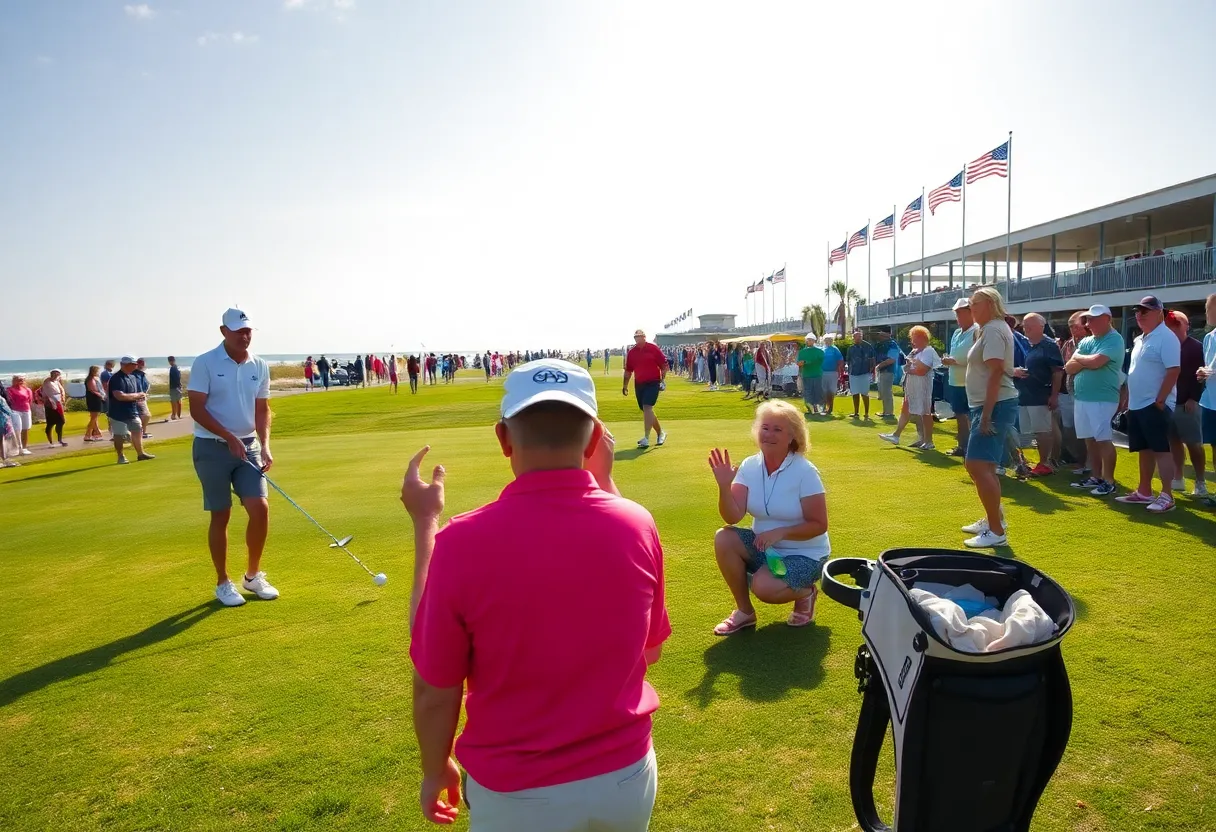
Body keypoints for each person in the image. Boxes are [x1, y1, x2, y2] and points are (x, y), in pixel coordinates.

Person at [406, 359, 670, 831]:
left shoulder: (461, 542)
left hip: (517, 792)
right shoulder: (638, 524)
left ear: (504, 438)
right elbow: (649, 650)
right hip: (625, 777)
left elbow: (434, 683)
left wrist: (433, 768)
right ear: (594, 439)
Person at [707, 399, 829, 634]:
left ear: (792, 436)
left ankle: (806, 592)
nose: (769, 434)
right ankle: (745, 612)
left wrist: (781, 532)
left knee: (763, 588)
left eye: (777, 429)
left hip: (806, 555)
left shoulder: (805, 472)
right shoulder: (749, 466)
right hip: (765, 548)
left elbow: (819, 524)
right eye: (765, 427)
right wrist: (724, 486)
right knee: (724, 537)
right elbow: (732, 516)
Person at [186, 308, 276, 608]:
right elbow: (197, 409)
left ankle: (252, 576)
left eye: (248, 330)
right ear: (224, 331)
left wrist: (265, 445)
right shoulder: (205, 362)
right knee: (221, 514)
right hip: (211, 447)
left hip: (249, 446)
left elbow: (262, 409)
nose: (244, 336)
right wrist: (228, 437)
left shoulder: (259, 365)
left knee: (260, 508)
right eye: (238, 331)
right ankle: (223, 582)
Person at [960, 287, 1019, 548]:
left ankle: (996, 531)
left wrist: (986, 415)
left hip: (993, 406)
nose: (971, 308)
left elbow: (996, 373)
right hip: (987, 404)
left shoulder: (994, 329)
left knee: (976, 465)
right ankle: (995, 520)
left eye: (975, 303)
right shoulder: (989, 329)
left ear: (990, 304)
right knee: (983, 467)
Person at [1114, 296, 1180, 512]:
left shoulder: (1166, 337)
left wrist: (1160, 400)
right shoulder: (1140, 339)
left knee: (1161, 450)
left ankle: (1167, 495)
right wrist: (1127, 399)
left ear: (1159, 313)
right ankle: (1144, 491)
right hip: (1137, 405)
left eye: (1145, 311)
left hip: (1155, 404)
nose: (1140, 315)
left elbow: (1173, 370)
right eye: (1137, 311)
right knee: (1144, 449)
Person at [1065, 304, 1125, 497]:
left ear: (1107, 319)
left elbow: (1097, 362)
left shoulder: (1114, 339)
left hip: (1102, 397)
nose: (1089, 323)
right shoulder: (1087, 341)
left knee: (1103, 439)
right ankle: (1096, 476)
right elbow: (1069, 367)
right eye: (1088, 319)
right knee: (1090, 440)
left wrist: (1080, 359)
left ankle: (1109, 481)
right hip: (1083, 397)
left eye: (1094, 319)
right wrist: (1087, 361)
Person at [1013, 313, 1064, 475]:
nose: (1026, 328)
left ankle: (1045, 463)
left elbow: (1057, 372)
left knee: (1043, 431)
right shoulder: (1026, 344)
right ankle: (1037, 463)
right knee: (1031, 431)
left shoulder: (1048, 345)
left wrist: (1054, 395)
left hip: (1040, 394)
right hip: (1025, 394)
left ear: (1041, 327)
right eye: (1025, 325)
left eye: (1030, 325)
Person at [1164, 310, 1207, 499]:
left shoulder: (1196, 347)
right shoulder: (1167, 347)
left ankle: (1200, 482)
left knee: (1194, 444)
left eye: (1176, 324)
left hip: (1187, 404)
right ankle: (1178, 477)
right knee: (1173, 442)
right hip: (1170, 402)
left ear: (1184, 326)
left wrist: (1194, 398)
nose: (1172, 329)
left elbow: (1202, 376)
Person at [879, 325, 940, 449]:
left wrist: (911, 366)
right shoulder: (915, 351)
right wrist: (908, 366)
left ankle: (928, 441)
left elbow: (923, 370)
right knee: (907, 409)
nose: (912, 341)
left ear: (921, 338)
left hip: (922, 387)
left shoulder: (928, 351)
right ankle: (899, 435)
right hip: (911, 386)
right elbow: (908, 367)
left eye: (914, 337)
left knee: (925, 413)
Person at [941, 299, 977, 457]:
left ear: (970, 312)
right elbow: (955, 353)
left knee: (973, 416)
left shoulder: (977, 331)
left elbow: (976, 357)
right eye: (956, 313)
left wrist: (955, 361)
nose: (958, 317)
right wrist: (949, 360)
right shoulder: (956, 333)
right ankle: (962, 446)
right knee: (959, 415)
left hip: (971, 381)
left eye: (960, 313)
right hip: (955, 380)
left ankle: (974, 449)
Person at [623, 329, 668, 449]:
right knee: (646, 410)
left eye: (639, 336)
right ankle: (661, 433)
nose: (637, 339)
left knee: (647, 407)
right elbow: (628, 370)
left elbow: (663, 365)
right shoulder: (632, 352)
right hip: (639, 384)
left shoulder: (653, 348)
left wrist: (663, 380)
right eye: (635, 337)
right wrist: (625, 386)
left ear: (644, 337)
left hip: (653, 382)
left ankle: (646, 438)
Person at [106, 356, 156, 465]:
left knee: (138, 430)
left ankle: (141, 454)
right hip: (118, 412)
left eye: (135, 364)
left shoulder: (132, 377)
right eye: (133, 364)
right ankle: (121, 456)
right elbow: (119, 396)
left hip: (132, 410)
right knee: (119, 435)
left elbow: (134, 393)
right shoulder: (116, 378)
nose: (135, 366)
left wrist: (139, 397)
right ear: (125, 365)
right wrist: (137, 395)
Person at [1198, 292, 1216, 507]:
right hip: (1210, 402)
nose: (1207, 313)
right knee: (1214, 445)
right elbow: (1208, 365)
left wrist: (1209, 371)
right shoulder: (1209, 338)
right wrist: (1202, 371)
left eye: (1208, 309)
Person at [845, 330, 875, 419]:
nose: (858, 338)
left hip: (865, 373)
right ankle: (856, 412)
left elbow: (872, 359)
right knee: (855, 393)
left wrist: (871, 370)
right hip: (853, 373)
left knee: (864, 393)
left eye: (860, 337)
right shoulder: (850, 348)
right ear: (853, 338)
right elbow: (848, 360)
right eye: (856, 337)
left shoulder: (868, 347)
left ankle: (866, 413)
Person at [874, 326, 900, 419]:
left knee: (887, 392)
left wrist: (879, 365)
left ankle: (888, 412)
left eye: (882, 333)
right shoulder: (880, 344)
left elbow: (892, 359)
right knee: (883, 392)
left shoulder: (892, 344)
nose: (879, 335)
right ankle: (885, 411)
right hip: (881, 371)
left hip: (888, 371)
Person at [797, 334, 825, 415]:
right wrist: (800, 363)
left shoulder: (820, 351)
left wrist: (806, 362)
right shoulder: (802, 352)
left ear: (814, 341)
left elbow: (818, 361)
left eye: (810, 340)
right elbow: (799, 362)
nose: (809, 341)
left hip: (817, 374)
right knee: (808, 392)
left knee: (817, 391)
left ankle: (817, 407)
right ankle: (810, 407)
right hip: (806, 374)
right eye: (808, 340)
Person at [41, 370, 68, 448]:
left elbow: (61, 389)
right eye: (55, 375)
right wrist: (53, 403)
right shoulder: (47, 382)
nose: (57, 376)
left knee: (61, 421)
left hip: (58, 402)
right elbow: (48, 394)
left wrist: (63, 396)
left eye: (58, 375)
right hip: (50, 404)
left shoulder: (56, 382)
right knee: (50, 423)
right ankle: (50, 441)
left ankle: (60, 439)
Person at [7, 375, 33, 455]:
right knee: (17, 430)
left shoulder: (27, 390)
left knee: (26, 429)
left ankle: (24, 448)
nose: (20, 381)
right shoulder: (9, 390)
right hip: (15, 411)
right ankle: (17, 448)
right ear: (14, 381)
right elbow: (9, 401)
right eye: (18, 380)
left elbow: (30, 400)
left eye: (22, 380)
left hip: (26, 410)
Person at [820, 335, 843, 416]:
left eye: (829, 340)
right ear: (824, 341)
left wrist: (838, 370)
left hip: (833, 372)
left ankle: (830, 408)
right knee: (823, 391)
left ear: (832, 341)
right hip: (822, 372)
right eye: (826, 340)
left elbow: (840, 361)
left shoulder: (835, 349)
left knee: (831, 391)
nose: (828, 341)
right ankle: (824, 408)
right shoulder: (822, 349)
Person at [84, 365, 106, 442]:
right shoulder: (91, 379)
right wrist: (102, 396)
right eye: (97, 371)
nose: (98, 372)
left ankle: (96, 433)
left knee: (95, 417)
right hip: (94, 399)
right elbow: (93, 390)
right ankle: (88, 435)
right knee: (94, 418)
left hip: (94, 399)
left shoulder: (93, 378)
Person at [134, 358, 152, 438]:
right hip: (137, 398)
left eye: (142, 364)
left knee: (144, 416)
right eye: (140, 363)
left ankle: (142, 432)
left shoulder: (141, 374)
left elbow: (145, 385)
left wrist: (145, 393)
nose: (141, 365)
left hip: (142, 397)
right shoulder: (134, 374)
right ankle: (140, 433)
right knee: (145, 415)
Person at [0, 393, 18, 467]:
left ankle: (4, 458)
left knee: (2, 440)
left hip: (3, 421)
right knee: (2, 440)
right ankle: (4, 459)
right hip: (2, 421)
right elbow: (6, 410)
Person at [168, 356, 184, 420]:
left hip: (174, 387)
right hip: (177, 387)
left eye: (170, 361)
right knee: (178, 401)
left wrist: (178, 385)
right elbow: (178, 377)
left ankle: (174, 415)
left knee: (174, 401)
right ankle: (178, 415)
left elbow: (176, 378)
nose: (170, 362)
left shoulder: (173, 368)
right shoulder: (176, 368)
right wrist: (180, 385)